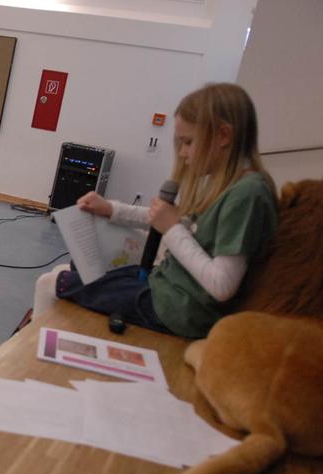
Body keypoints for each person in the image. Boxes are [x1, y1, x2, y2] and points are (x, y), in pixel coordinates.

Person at [34, 83, 279, 339]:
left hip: (179, 310)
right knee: (71, 270)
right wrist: (111, 210)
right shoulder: (231, 186)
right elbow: (165, 218)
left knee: (50, 283)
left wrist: (172, 229)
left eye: (188, 142)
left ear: (224, 136)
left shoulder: (247, 194)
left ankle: (29, 360)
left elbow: (221, 285)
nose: (183, 153)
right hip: (168, 290)